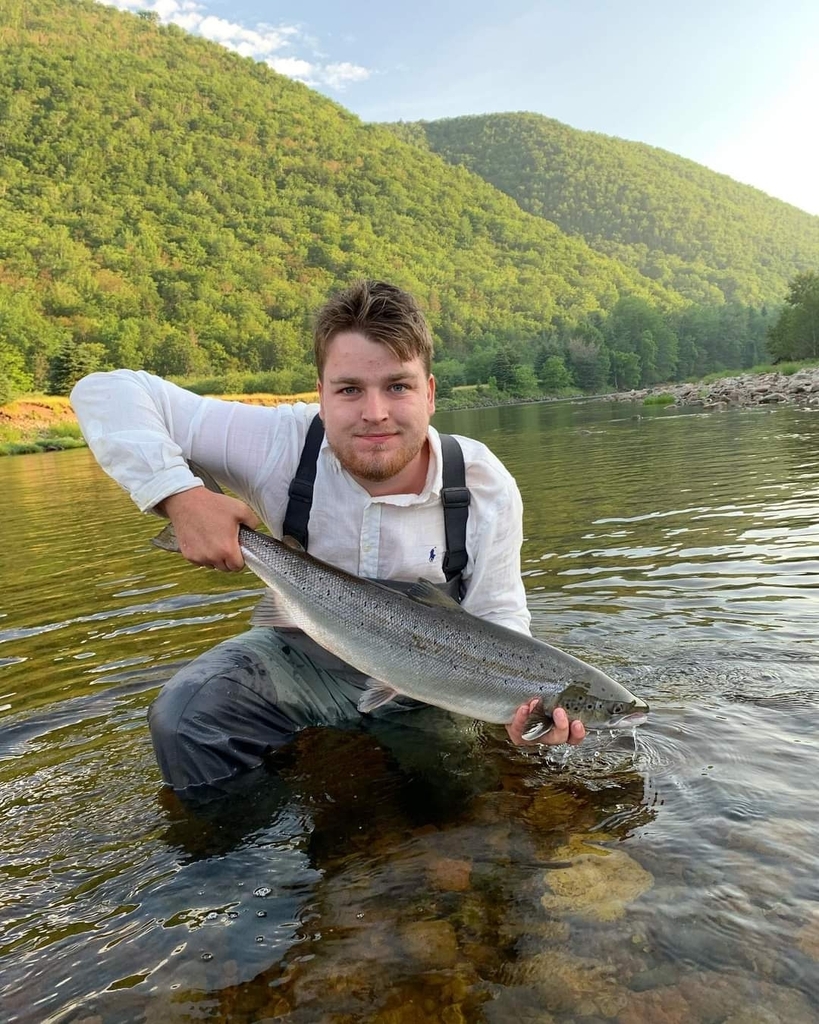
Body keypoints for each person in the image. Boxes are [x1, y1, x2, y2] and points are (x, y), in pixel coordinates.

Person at [71, 280, 585, 799]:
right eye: (349, 389)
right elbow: (108, 390)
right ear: (319, 394)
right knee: (185, 720)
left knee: (460, 805)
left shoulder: (482, 485)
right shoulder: (278, 441)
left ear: (430, 393)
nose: (375, 412)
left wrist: (519, 712)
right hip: (300, 653)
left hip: (426, 685)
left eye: (398, 387)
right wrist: (179, 496)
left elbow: (498, 618)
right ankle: (246, 861)